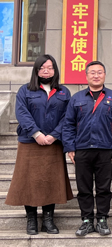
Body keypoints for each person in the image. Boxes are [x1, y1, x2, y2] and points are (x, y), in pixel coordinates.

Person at [6, 55, 73, 235]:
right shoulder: (25, 90)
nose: (46, 71)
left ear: (55, 70)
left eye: (50, 68)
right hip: (30, 142)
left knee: (51, 180)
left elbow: (68, 116)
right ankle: (31, 219)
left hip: (53, 143)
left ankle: (48, 219)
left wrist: (54, 135)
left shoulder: (63, 92)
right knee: (28, 181)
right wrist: (36, 133)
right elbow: (22, 113)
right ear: (36, 70)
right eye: (42, 68)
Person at [61, 61, 112, 237]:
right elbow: (68, 124)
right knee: (84, 188)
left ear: (105, 75)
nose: (96, 75)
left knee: (104, 188)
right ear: (86, 76)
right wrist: (70, 147)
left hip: (105, 149)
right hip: (82, 149)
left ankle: (102, 219)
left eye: (100, 72)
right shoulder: (77, 98)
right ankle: (87, 220)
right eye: (93, 73)